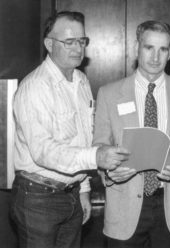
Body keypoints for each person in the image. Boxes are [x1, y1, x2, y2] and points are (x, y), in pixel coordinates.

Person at [10, 11, 122, 248]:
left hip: (70, 194)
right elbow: (43, 151)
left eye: (82, 41)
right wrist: (96, 157)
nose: (78, 48)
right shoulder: (35, 87)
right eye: (69, 41)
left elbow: (80, 139)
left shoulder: (81, 80)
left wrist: (83, 189)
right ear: (49, 44)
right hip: (37, 198)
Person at [93, 20, 170, 247]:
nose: (155, 57)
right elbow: (100, 146)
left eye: (163, 49)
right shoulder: (109, 94)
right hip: (124, 204)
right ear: (136, 48)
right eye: (148, 47)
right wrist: (110, 172)